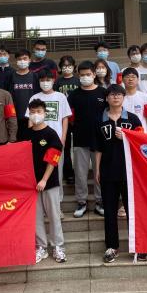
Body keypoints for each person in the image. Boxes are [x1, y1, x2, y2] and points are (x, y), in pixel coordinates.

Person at [94, 84, 147, 264]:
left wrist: (127, 137)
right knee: (109, 211)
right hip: (107, 171)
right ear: (107, 98)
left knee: (132, 209)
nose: (115, 97)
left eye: (119, 94)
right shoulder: (100, 119)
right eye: (112, 94)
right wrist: (97, 169)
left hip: (129, 172)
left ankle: (138, 247)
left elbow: (142, 142)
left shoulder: (132, 119)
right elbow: (98, 148)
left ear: (124, 97)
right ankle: (112, 247)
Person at [27, 99, 66, 263]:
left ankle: (58, 247)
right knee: (36, 218)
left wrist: (44, 179)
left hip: (49, 183)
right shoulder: (26, 133)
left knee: (54, 216)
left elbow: (53, 158)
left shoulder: (51, 134)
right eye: (33, 112)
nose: (36, 115)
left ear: (45, 113)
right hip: (30, 184)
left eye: (39, 112)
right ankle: (41, 247)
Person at [67, 61, 106, 218]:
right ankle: (81, 202)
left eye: (88, 74)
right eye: (82, 75)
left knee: (99, 172)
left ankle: (100, 201)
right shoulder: (74, 95)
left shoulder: (103, 92)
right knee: (80, 173)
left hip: (100, 140)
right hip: (80, 139)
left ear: (94, 74)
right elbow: (70, 117)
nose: (85, 77)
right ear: (78, 76)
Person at [28, 69, 72, 203]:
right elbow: (30, 119)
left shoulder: (60, 97)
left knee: (57, 173)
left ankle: (58, 203)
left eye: (48, 80)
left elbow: (65, 118)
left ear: (53, 80)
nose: (45, 83)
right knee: (38, 171)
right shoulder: (34, 97)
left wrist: (63, 137)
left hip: (55, 141)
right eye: (42, 80)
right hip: (38, 142)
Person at [54, 55, 80, 184]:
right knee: (66, 147)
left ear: (74, 67)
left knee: (78, 148)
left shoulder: (78, 81)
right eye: (64, 66)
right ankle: (68, 173)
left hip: (77, 118)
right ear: (60, 67)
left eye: (69, 65)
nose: (67, 68)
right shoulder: (58, 82)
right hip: (63, 118)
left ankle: (79, 173)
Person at [9, 49, 40, 141]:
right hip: (16, 117)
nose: (22, 61)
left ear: (29, 60)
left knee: (32, 143)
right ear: (16, 61)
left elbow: (38, 96)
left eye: (25, 58)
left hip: (32, 117)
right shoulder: (11, 76)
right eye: (19, 59)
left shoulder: (35, 76)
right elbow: (9, 96)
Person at [122, 68, 147, 135]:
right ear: (122, 80)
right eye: (127, 77)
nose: (130, 79)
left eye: (133, 77)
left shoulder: (145, 97)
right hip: (124, 134)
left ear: (138, 79)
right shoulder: (119, 98)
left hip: (141, 134)